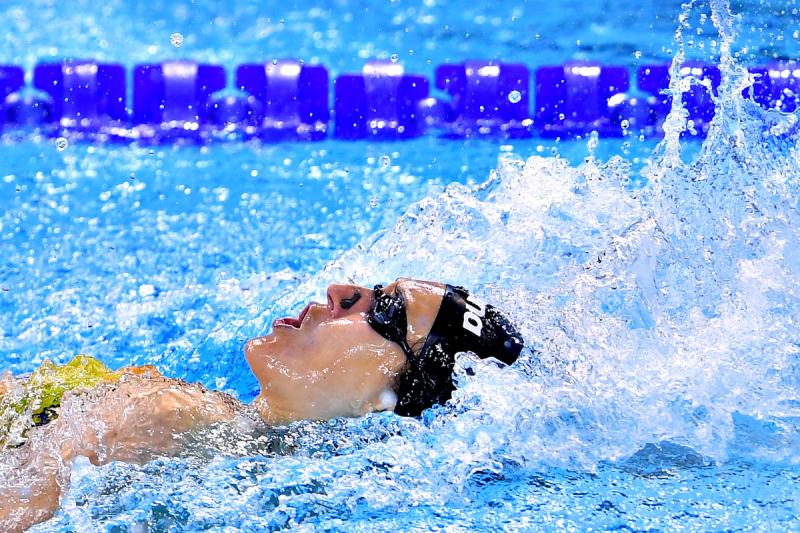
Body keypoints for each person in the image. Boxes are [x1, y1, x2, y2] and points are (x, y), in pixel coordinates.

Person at [0, 278, 523, 531]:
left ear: (391, 398)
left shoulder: (208, 427)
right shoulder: (169, 411)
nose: (340, 289)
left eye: (382, 311)